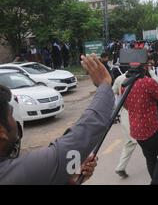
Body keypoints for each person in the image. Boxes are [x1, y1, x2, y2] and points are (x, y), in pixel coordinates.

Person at [0, 54, 113, 184]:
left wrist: (67, 178)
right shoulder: (16, 172)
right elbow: (79, 138)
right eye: (11, 115)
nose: (15, 121)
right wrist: (104, 84)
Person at [124, 62, 158, 185]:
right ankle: (155, 182)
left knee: (150, 158)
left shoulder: (125, 84)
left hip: (136, 131)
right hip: (152, 129)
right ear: (144, 68)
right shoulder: (147, 82)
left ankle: (156, 181)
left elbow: (125, 105)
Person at [112, 67, 136, 179]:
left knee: (130, 141)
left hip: (125, 113)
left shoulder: (119, 78)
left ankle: (121, 167)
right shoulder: (142, 77)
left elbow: (113, 93)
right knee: (133, 141)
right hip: (134, 113)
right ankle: (155, 161)